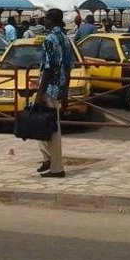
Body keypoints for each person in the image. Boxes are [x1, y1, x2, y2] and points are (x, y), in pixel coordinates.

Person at [34, 9, 74, 178]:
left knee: (51, 129)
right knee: (43, 123)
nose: (44, 21)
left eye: (46, 19)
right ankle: (48, 158)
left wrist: (39, 93)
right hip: (60, 87)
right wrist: (65, 94)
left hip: (50, 88)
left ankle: (56, 168)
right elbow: (69, 66)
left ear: (51, 20)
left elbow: (49, 68)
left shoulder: (50, 39)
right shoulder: (66, 39)